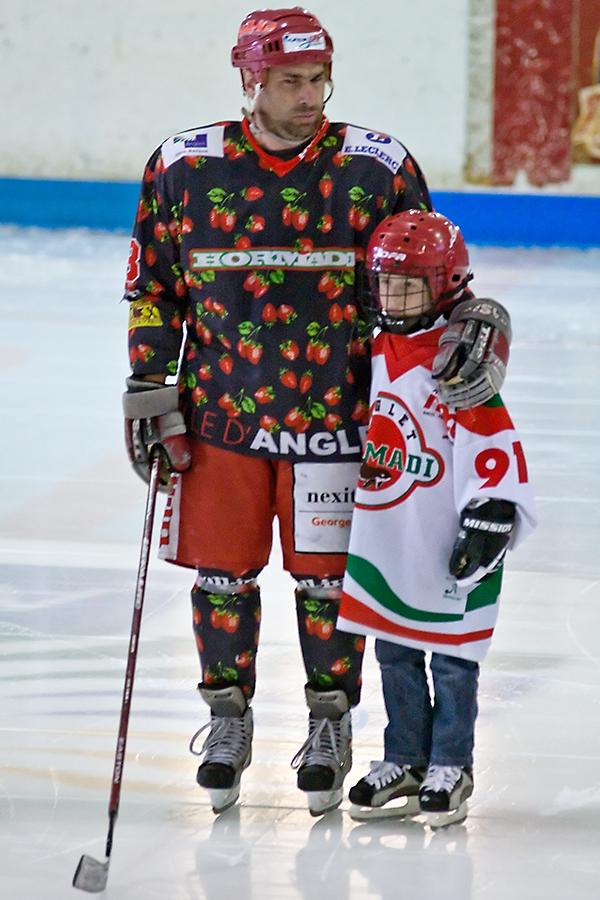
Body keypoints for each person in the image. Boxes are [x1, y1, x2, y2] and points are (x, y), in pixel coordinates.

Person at [121, 7, 512, 817]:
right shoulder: (182, 166)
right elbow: (154, 288)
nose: (310, 97)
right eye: (292, 81)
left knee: (326, 584)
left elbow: (432, 278)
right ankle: (226, 720)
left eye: (319, 79)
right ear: (250, 79)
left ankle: (327, 724)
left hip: (342, 421)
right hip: (219, 420)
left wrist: (482, 324)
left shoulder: (376, 166)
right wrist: (150, 392)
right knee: (223, 577)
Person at [337, 210, 536, 826]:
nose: (393, 297)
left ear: (445, 285)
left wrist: (491, 513)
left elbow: (492, 444)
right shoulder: (372, 349)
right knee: (394, 650)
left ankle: (452, 762)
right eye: (386, 283)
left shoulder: (457, 365)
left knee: (452, 658)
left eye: (410, 285)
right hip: (389, 536)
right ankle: (406, 757)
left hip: (446, 535)